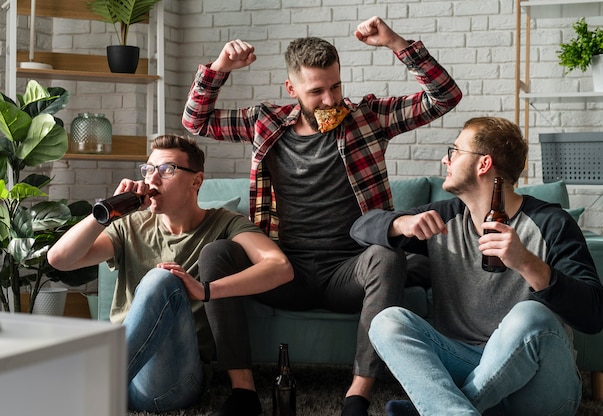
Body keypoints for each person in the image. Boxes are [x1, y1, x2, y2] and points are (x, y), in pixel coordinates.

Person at [182, 15, 462, 416]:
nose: (330, 101)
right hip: (283, 270)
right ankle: (243, 392)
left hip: (348, 270)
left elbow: (445, 97)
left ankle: (357, 397)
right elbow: (195, 120)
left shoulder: (367, 118)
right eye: (316, 92)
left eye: (336, 87)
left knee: (387, 255)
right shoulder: (265, 122)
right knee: (215, 254)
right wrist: (220, 68)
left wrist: (396, 43)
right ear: (291, 89)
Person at [350, 116, 603, 416]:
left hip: (540, 386)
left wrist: (527, 263)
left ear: (483, 164)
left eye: (455, 151)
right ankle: (457, 411)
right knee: (387, 321)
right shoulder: (443, 219)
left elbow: (595, 315)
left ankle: (446, 408)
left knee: (531, 315)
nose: (445, 159)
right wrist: (401, 222)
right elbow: (359, 228)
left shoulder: (551, 223)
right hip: (465, 363)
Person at [47, 134, 293, 413]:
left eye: (167, 170)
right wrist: (107, 211)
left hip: (171, 383)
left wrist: (205, 290)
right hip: (126, 375)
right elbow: (59, 260)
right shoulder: (131, 226)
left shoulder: (224, 223)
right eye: (149, 169)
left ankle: (87, 390)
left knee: (162, 278)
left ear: (196, 181)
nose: (153, 179)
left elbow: (279, 267)